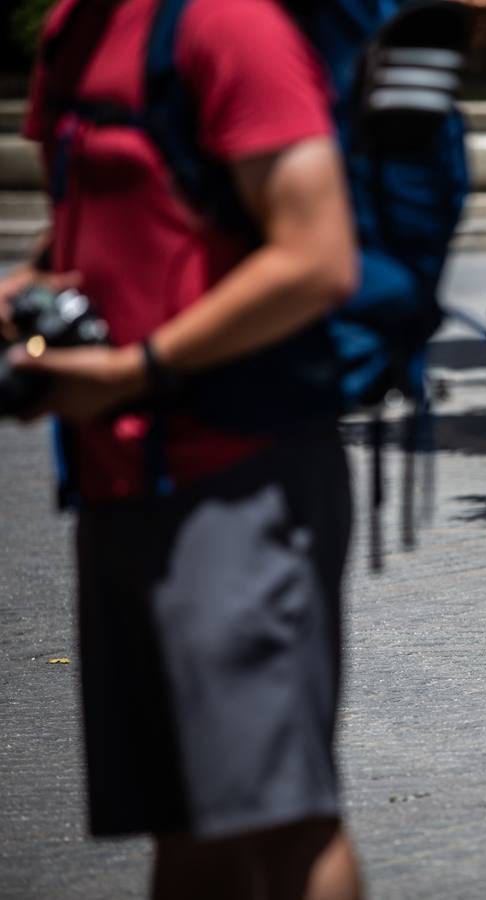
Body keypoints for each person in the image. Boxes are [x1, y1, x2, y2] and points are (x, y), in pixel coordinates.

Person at [3, 0, 362, 896]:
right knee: (186, 825)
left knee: (281, 822)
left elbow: (318, 256)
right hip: (115, 479)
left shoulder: (225, 23)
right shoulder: (72, 30)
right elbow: (99, 217)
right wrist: (31, 288)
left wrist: (139, 367)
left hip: (239, 472)